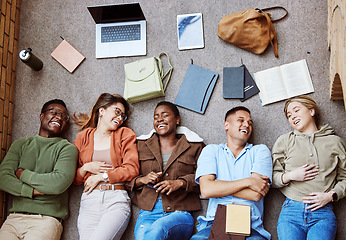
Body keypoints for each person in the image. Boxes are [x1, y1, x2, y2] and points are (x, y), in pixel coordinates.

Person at [0, 99, 78, 240]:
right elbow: (3, 178)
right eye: (54, 112)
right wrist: (32, 191)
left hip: (46, 220)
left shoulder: (67, 149)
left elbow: (58, 183)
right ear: (42, 116)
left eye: (64, 116)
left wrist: (22, 174)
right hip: (13, 219)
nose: (59, 117)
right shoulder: (21, 144)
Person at [191, 106, 272, 240]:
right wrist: (248, 181)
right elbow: (206, 190)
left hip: (250, 227)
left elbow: (256, 194)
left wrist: (217, 187)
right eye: (241, 120)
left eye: (250, 123)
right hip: (214, 224)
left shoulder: (260, 151)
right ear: (226, 125)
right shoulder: (211, 151)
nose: (246, 124)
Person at [127, 101, 205, 240]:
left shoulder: (195, 145)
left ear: (177, 119)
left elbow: (206, 180)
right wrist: (142, 179)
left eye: (165, 115)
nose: (159, 120)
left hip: (180, 212)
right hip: (148, 212)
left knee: (157, 231)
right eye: (156, 117)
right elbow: (127, 179)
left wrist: (180, 183)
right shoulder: (140, 145)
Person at [272, 95, 346, 240]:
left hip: (322, 212)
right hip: (291, 211)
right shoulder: (284, 141)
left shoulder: (335, 142)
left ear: (311, 111)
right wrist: (290, 175)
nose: (293, 116)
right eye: (289, 115)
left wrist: (331, 195)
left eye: (296, 110)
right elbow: (270, 178)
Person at [73, 93, 139, 240]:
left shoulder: (125, 134)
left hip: (115, 199)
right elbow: (74, 178)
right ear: (102, 110)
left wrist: (102, 176)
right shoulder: (82, 138)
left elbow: (132, 168)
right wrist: (86, 168)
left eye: (123, 115)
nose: (120, 118)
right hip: (89, 201)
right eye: (117, 112)